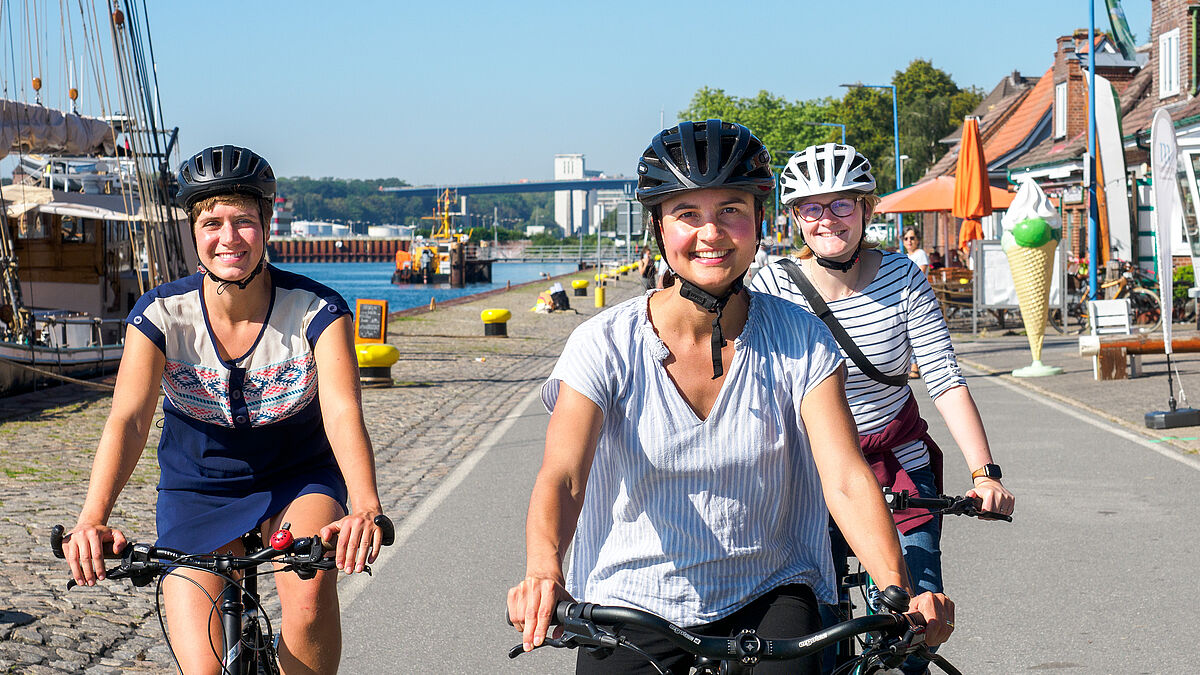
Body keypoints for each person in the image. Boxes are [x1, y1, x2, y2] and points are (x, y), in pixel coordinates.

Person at [506, 121, 953, 675]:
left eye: (730, 212)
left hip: (768, 589)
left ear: (760, 223)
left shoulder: (800, 338)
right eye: (687, 214)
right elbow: (564, 477)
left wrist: (896, 589)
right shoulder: (603, 345)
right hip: (631, 596)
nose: (711, 233)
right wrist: (543, 572)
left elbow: (843, 475)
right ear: (658, 228)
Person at [60, 145, 386, 674]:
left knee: (307, 599)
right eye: (211, 222)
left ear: (267, 222)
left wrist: (365, 505)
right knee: (206, 667)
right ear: (193, 231)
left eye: (243, 221)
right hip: (198, 485)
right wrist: (92, 518)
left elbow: (343, 410)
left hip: (298, 478)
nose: (228, 238)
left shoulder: (316, 312)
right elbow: (129, 419)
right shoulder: (162, 315)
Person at [749, 142, 1014, 675]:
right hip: (809, 466)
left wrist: (985, 473)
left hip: (895, 455)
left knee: (915, 618)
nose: (828, 220)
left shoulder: (903, 279)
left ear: (866, 209)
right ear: (795, 216)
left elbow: (943, 376)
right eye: (811, 208)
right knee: (805, 631)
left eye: (842, 204)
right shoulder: (772, 286)